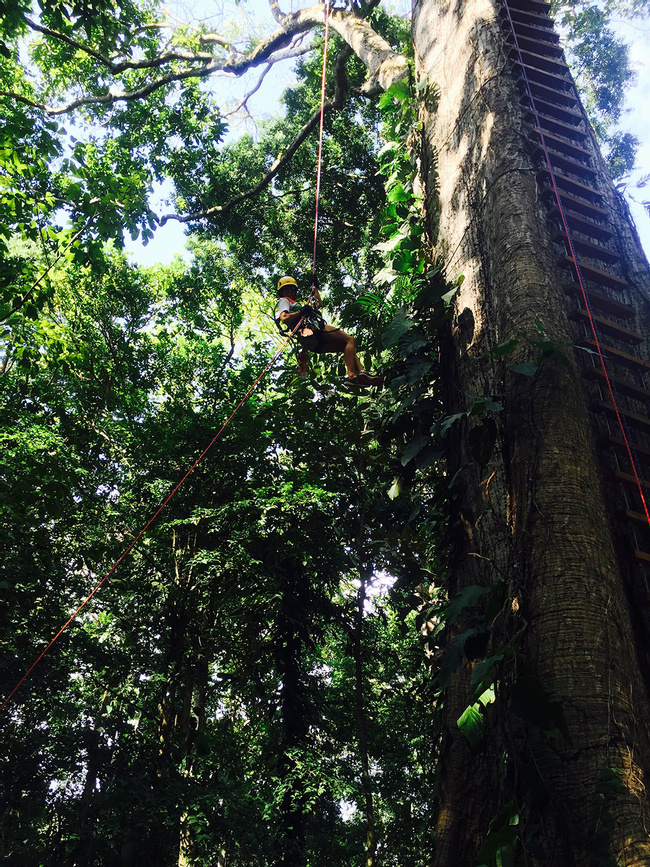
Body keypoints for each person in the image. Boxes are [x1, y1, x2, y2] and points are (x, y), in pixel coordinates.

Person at [276, 275, 383, 387]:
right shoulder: (284, 301)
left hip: (312, 343)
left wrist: (315, 288)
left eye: (292, 289)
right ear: (282, 292)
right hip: (313, 330)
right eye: (286, 289)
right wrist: (301, 312)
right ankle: (352, 374)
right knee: (350, 340)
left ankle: (361, 375)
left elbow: (318, 304)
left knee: (346, 347)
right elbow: (284, 318)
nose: (289, 291)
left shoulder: (297, 305)